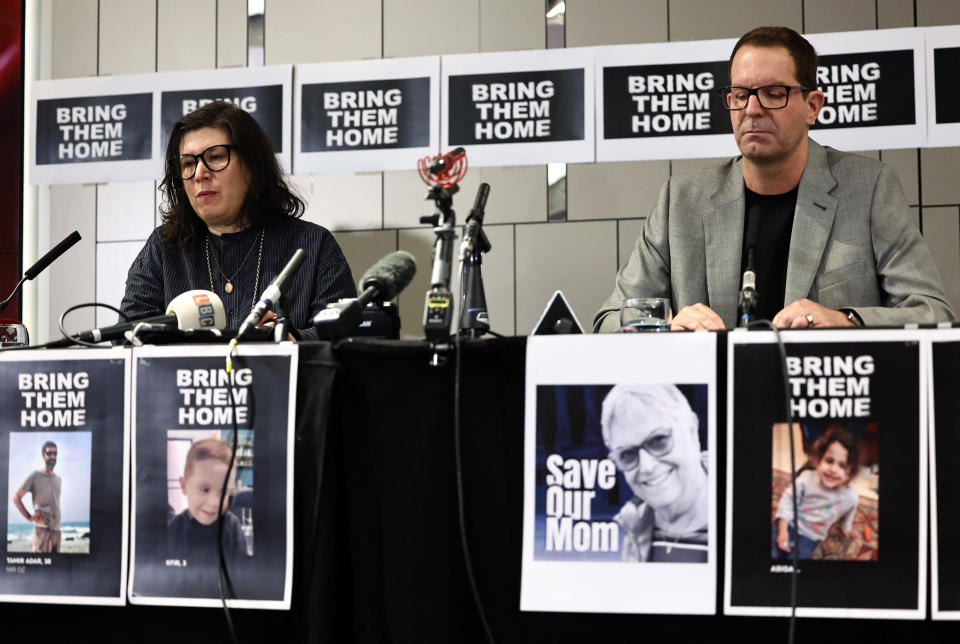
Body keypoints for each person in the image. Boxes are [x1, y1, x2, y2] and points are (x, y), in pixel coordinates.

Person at [594, 26, 955, 332]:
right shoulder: (681, 199)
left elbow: (932, 312)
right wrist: (668, 325)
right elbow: (611, 319)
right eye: (740, 95)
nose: (752, 109)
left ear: (812, 106)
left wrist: (845, 320)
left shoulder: (869, 188)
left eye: (773, 94)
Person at [120, 101, 356, 340]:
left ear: (252, 165)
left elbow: (340, 339)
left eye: (215, 157)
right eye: (188, 164)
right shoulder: (163, 248)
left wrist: (291, 340)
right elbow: (129, 336)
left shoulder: (314, 245)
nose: (200, 173)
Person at [601, 384, 708, 562]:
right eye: (627, 455)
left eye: (658, 440)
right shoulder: (635, 525)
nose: (646, 467)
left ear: (692, 432)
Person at [772, 426, 860, 561]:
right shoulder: (806, 478)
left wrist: (846, 527)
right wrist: (783, 529)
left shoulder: (851, 497)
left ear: (850, 472)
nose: (833, 469)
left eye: (842, 466)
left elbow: (850, 510)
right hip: (790, 523)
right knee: (773, 553)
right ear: (819, 460)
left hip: (811, 536)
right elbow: (788, 499)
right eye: (829, 461)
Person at [167, 437, 247, 563]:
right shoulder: (172, 531)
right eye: (205, 490)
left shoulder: (233, 528)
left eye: (223, 492)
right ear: (184, 486)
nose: (214, 502)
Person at [12, 441, 62, 553]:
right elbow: (16, 497)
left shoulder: (58, 480)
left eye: (55, 453)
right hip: (42, 532)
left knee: (56, 569)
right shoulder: (35, 475)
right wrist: (29, 517)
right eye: (49, 453)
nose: (52, 456)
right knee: (39, 569)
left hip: (57, 533)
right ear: (43, 455)